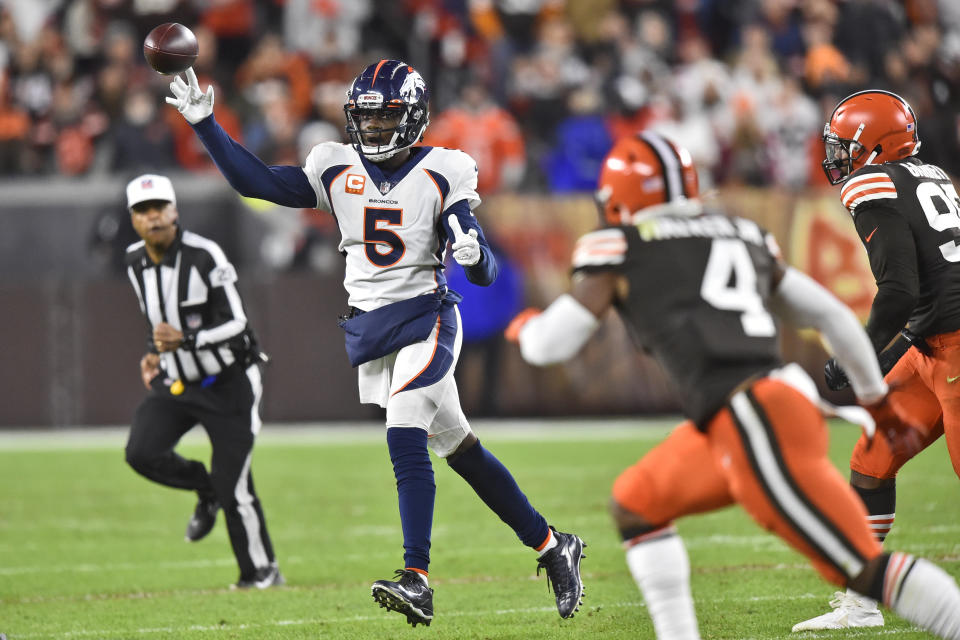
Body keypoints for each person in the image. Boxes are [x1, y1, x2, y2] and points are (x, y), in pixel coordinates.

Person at [163, 60, 585, 626]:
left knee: (404, 430)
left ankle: (417, 578)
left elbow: (480, 266)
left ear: (413, 118)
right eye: (366, 118)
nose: (375, 131)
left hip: (426, 318)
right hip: (374, 329)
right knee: (461, 449)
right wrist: (206, 124)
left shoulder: (445, 170)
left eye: (387, 119)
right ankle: (554, 546)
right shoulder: (335, 166)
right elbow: (257, 182)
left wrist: (474, 256)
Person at [506, 131, 960, 640]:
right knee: (636, 503)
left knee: (860, 569)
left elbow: (550, 346)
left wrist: (525, 329)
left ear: (619, 199)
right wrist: (877, 401)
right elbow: (831, 314)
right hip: (741, 414)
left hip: (755, 417)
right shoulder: (742, 232)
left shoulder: (620, 245)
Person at [792, 89, 960, 630]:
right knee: (871, 461)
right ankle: (862, 602)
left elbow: (899, 292)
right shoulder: (928, 173)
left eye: (844, 145)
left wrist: (862, 352)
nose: (836, 156)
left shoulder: (874, 181)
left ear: (874, 145)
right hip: (933, 342)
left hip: (954, 345)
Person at [122, 173, 282, 589]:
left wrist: (187, 339)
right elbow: (154, 321)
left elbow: (239, 323)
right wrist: (153, 352)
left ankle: (262, 573)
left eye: (159, 208)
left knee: (236, 485)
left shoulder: (205, 254)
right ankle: (205, 488)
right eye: (143, 211)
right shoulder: (134, 260)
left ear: (175, 211)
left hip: (230, 383)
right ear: (133, 219)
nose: (152, 217)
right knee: (141, 452)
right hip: (180, 384)